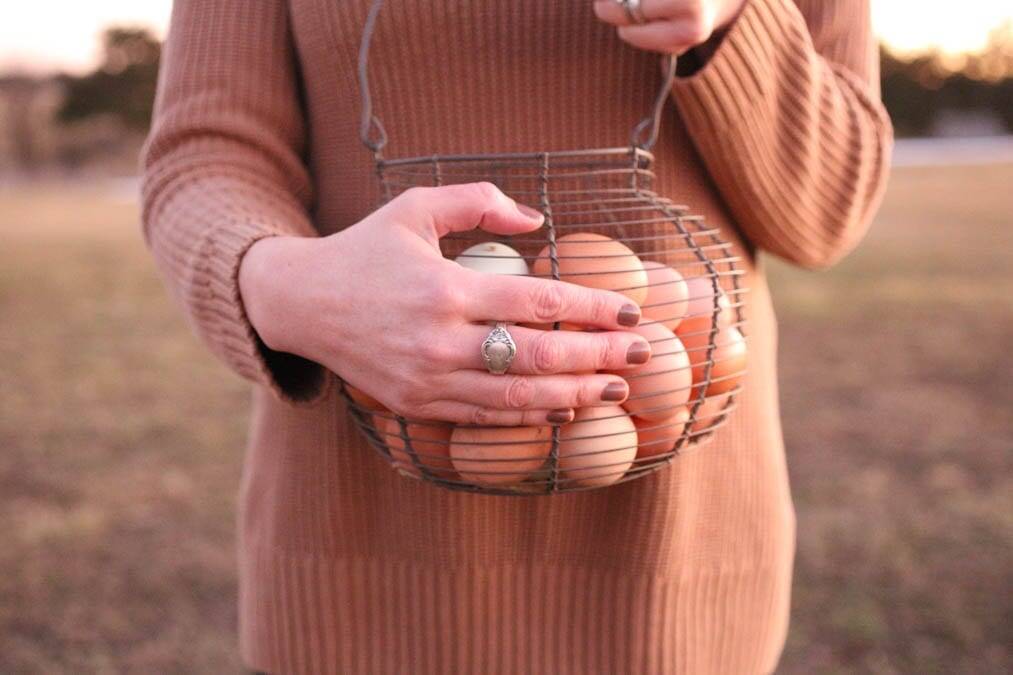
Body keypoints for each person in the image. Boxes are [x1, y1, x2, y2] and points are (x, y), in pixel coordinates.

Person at [141, 0, 891, 672]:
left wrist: (737, 20)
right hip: (364, 547)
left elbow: (824, 213)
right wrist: (291, 288)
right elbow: (206, 153)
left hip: (667, 558)